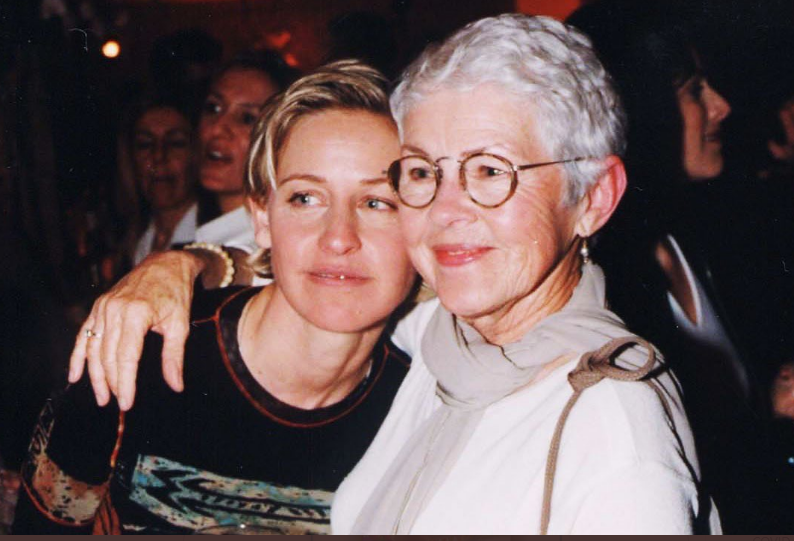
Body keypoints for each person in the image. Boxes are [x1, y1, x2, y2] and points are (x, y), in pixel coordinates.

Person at [68, 16, 719, 534]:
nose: (446, 212)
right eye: (424, 173)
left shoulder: (615, 434)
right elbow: (325, 270)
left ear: (594, 197)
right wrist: (185, 262)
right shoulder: (440, 337)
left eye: (490, 171)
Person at [12, 60, 416, 534]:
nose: (339, 238)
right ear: (261, 217)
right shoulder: (134, 360)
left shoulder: (420, 408)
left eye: (377, 203)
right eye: (305, 198)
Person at [567, 4, 781, 531]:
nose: (721, 107)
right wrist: (765, 415)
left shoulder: (694, 233)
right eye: (694, 90)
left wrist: (767, 398)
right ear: (639, 107)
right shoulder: (597, 277)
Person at [192, 51, 297, 249]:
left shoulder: (260, 246)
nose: (217, 129)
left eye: (247, 119)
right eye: (213, 108)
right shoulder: (206, 229)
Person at [129, 102, 198, 265]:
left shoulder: (215, 241)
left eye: (175, 143)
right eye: (145, 144)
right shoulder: (136, 243)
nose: (158, 156)